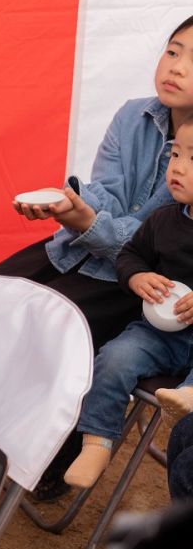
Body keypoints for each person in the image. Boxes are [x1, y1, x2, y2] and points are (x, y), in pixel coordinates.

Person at [0, 14, 193, 498]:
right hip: (78, 250)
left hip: (138, 285)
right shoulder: (132, 115)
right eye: (173, 50)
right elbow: (109, 195)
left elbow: (153, 248)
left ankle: (38, 463)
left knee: (52, 336)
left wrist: (89, 222)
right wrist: (74, 207)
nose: (176, 67)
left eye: (192, 60)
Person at [65, 116, 193, 487]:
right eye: (175, 155)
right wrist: (137, 276)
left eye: (192, 159)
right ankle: (97, 442)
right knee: (114, 358)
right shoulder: (162, 220)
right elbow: (129, 256)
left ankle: (188, 395)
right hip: (158, 333)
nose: (179, 168)